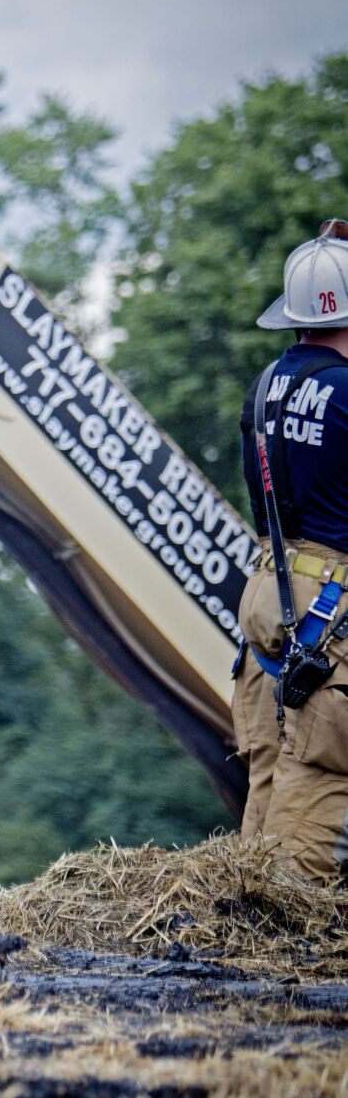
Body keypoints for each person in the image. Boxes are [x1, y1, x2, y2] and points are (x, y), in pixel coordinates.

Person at [234, 219, 348, 885]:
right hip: (332, 604)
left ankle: (249, 902)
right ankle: (285, 914)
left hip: (272, 593)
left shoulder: (264, 388)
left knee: (272, 764)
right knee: (322, 772)